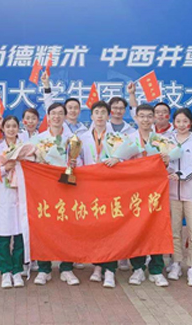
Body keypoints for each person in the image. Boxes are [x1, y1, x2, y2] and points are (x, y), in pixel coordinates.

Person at [31, 103, 80, 286]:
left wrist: (75, 163)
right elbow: (30, 161)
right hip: (43, 189)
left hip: (66, 187)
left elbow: (82, 162)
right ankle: (44, 268)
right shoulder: (38, 139)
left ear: (65, 117)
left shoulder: (72, 139)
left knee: (67, 228)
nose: (57, 117)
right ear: (48, 116)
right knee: (44, 228)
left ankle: (66, 267)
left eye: (60, 113)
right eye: (53, 113)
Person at [79, 101, 124, 288]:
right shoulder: (82, 138)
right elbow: (78, 160)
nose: (99, 115)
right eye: (96, 112)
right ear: (91, 116)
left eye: (103, 112)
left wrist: (118, 158)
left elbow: (126, 159)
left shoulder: (117, 137)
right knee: (95, 229)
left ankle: (110, 270)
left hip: (110, 188)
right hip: (90, 187)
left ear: (108, 116)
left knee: (111, 229)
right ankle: (97, 266)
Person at [127, 104, 169, 287]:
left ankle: (156, 269)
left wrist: (167, 160)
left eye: (149, 116)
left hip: (156, 192)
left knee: (157, 228)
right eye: (142, 116)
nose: (145, 119)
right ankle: (137, 268)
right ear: (136, 118)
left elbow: (170, 166)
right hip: (135, 192)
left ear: (154, 119)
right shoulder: (128, 140)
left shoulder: (161, 140)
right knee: (136, 229)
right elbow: (121, 164)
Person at [166, 108, 192, 287]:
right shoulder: (168, 140)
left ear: (190, 123)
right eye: (178, 121)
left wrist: (182, 175)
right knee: (174, 232)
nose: (181, 125)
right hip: (173, 193)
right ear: (174, 122)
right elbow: (163, 162)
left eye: (185, 121)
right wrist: (168, 168)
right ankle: (176, 263)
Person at [0, 116, 26, 289]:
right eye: (8, 126)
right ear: (3, 129)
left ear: (18, 128)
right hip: (4, 195)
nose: (11, 129)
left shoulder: (25, 148)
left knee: (20, 236)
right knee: (4, 237)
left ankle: (17, 270)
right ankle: (5, 271)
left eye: (14, 126)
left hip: (21, 195)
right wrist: (5, 168)